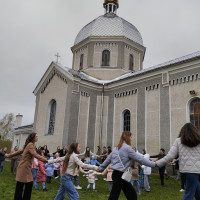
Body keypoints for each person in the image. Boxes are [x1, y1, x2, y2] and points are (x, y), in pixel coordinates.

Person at [99, 131, 156, 200]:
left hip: (116, 174)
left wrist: (101, 167)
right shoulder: (127, 148)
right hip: (121, 175)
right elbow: (140, 159)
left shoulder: (116, 148)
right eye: (131, 137)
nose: (131, 139)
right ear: (127, 137)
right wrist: (154, 164)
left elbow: (108, 159)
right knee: (127, 195)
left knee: (120, 194)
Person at [156, 123, 200, 200]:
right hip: (197, 171)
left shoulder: (178, 141)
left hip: (189, 171)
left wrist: (157, 164)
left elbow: (169, 156)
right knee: (197, 192)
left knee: (189, 194)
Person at [5, 133, 47, 200]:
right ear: (33, 137)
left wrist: (8, 155)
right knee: (22, 185)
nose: (37, 137)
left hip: (26, 167)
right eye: (36, 136)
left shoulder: (29, 144)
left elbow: (19, 152)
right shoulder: (30, 145)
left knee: (25, 184)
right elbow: (35, 154)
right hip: (24, 167)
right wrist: (44, 159)